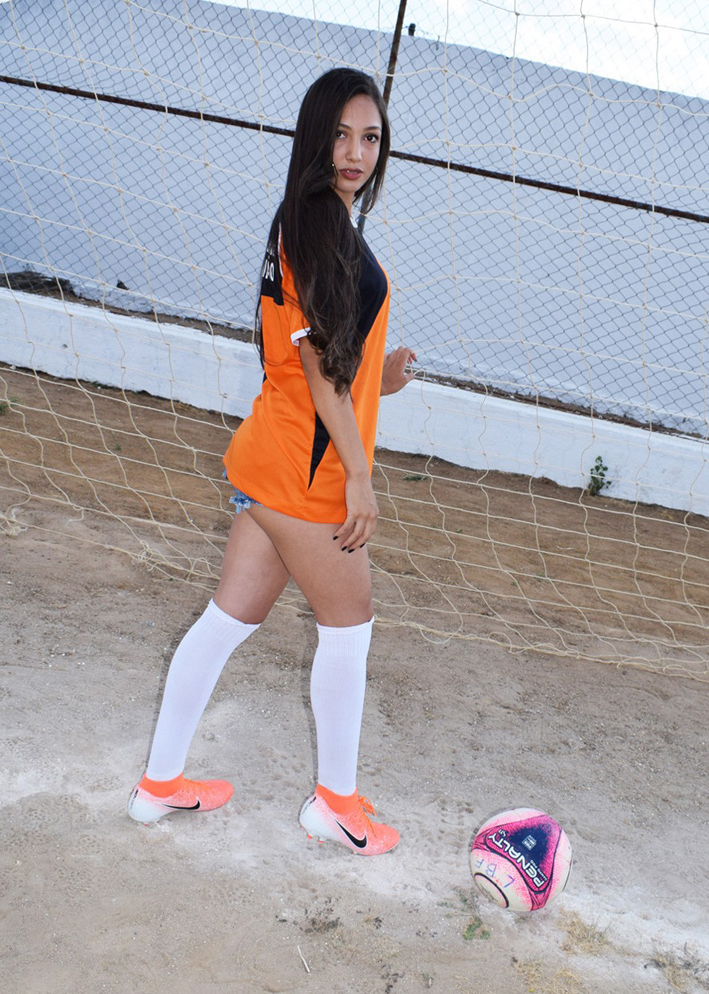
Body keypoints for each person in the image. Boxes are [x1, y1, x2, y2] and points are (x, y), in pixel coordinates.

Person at [128, 68, 416, 856]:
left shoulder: (314, 223)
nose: (355, 152)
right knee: (349, 627)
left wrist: (383, 378)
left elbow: (324, 359)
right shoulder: (312, 224)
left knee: (227, 620)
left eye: (371, 138)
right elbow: (320, 372)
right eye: (341, 135)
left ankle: (158, 785)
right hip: (303, 472)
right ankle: (335, 805)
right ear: (315, 137)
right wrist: (359, 477)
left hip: (273, 455)